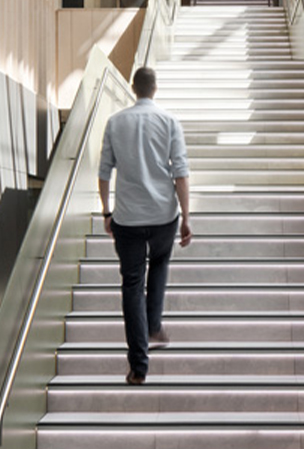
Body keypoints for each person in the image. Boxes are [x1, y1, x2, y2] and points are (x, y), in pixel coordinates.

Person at [97, 66, 192, 386]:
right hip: (164, 214)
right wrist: (187, 217)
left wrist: (106, 212)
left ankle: (139, 367)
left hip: (127, 218)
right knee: (161, 261)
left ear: (134, 89)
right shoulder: (169, 122)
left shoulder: (115, 122)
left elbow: (104, 172)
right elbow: (180, 171)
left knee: (132, 286)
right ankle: (153, 324)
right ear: (154, 89)